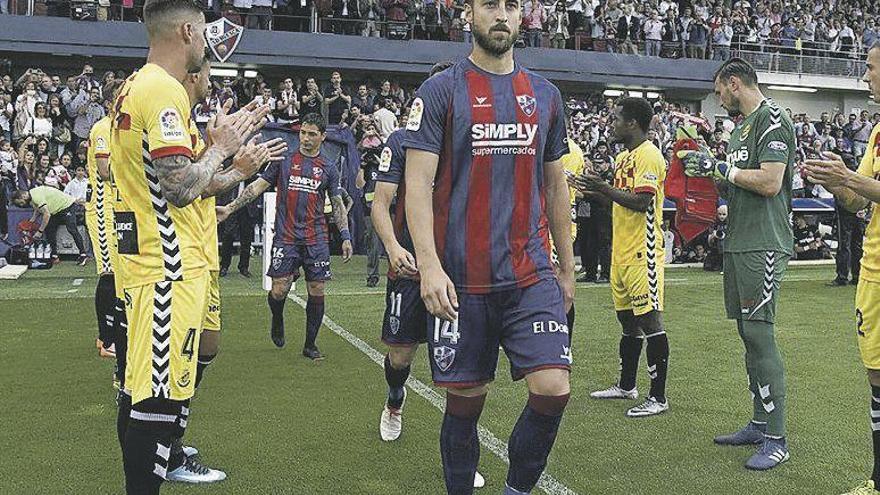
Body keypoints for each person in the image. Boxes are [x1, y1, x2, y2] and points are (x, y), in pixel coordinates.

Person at [403, 0, 575, 491]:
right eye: (489, 5)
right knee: (465, 401)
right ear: (469, 16)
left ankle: (517, 488)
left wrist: (566, 269)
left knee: (553, 389)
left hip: (529, 275)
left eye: (511, 5)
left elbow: (556, 185)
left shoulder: (545, 95)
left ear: (522, 18)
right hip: (461, 280)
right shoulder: (440, 91)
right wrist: (431, 268)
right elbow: (418, 185)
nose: (501, 14)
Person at [108, 1, 271, 492]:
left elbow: (178, 182)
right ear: (186, 31)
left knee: (143, 395)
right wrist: (222, 148)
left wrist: (232, 166)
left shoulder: (137, 86)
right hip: (165, 268)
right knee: (157, 404)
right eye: (203, 34)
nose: (207, 46)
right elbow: (179, 189)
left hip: (152, 264)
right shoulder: (160, 91)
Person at [370, 60, 487, 490]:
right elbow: (381, 203)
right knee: (401, 357)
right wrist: (393, 248)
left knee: (463, 373)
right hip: (411, 265)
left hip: (457, 268)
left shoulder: (476, 142)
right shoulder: (401, 142)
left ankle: (461, 456)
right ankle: (395, 399)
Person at [679, 57, 795, 471]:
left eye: (719, 91)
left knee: (761, 336)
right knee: (748, 335)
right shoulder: (742, 127)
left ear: (734, 82)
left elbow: (769, 182)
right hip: (740, 242)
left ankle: (777, 439)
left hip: (764, 244)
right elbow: (735, 179)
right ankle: (760, 423)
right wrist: (707, 166)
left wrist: (723, 168)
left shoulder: (774, 119)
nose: (718, 97)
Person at [803, 42, 880, 495]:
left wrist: (850, 178)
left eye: (871, 68)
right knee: (876, 375)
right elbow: (855, 200)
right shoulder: (875, 134)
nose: (865, 76)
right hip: (872, 270)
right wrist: (835, 180)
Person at [216, 113, 354, 360]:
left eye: (312, 134)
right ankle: (277, 318)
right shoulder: (284, 161)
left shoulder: (328, 168)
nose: (306, 138)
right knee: (279, 291)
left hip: (316, 238)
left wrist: (345, 235)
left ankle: (310, 345)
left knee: (317, 288)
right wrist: (230, 207)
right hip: (286, 237)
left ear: (322, 137)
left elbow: (336, 203)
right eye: (303, 132)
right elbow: (257, 187)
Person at [573, 97, 670, 418]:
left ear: (632, 123)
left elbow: (642, 202)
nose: (610, 124)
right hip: (622, 252)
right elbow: (618, 201)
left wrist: (604, 186)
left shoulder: (649, 156)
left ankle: (658, 397)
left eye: (615, 119)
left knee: (649, 320)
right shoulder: (626, 157)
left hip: (644, 253)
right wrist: (591, 190)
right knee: (627, 321)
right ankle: (627, 386)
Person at [84, 116, 118, 360]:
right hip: (102, 208)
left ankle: (106, 334)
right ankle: (107, 340)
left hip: (114, 207)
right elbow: (105, 171)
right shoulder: (104, 128)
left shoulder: (116, 127)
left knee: (118, 273)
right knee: (109, 273)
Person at [11, 186, 88, 265]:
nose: (22, 205)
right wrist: (31, 222)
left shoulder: (36, 196)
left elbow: (46, 214)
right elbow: (38, 210)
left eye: (20, 202)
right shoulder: (32, 195)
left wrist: (40, 231)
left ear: (23, 196)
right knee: (49, 230)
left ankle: (83, 254)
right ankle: (54, 255)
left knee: (72, 229)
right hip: (55, 210)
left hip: (67, 206)